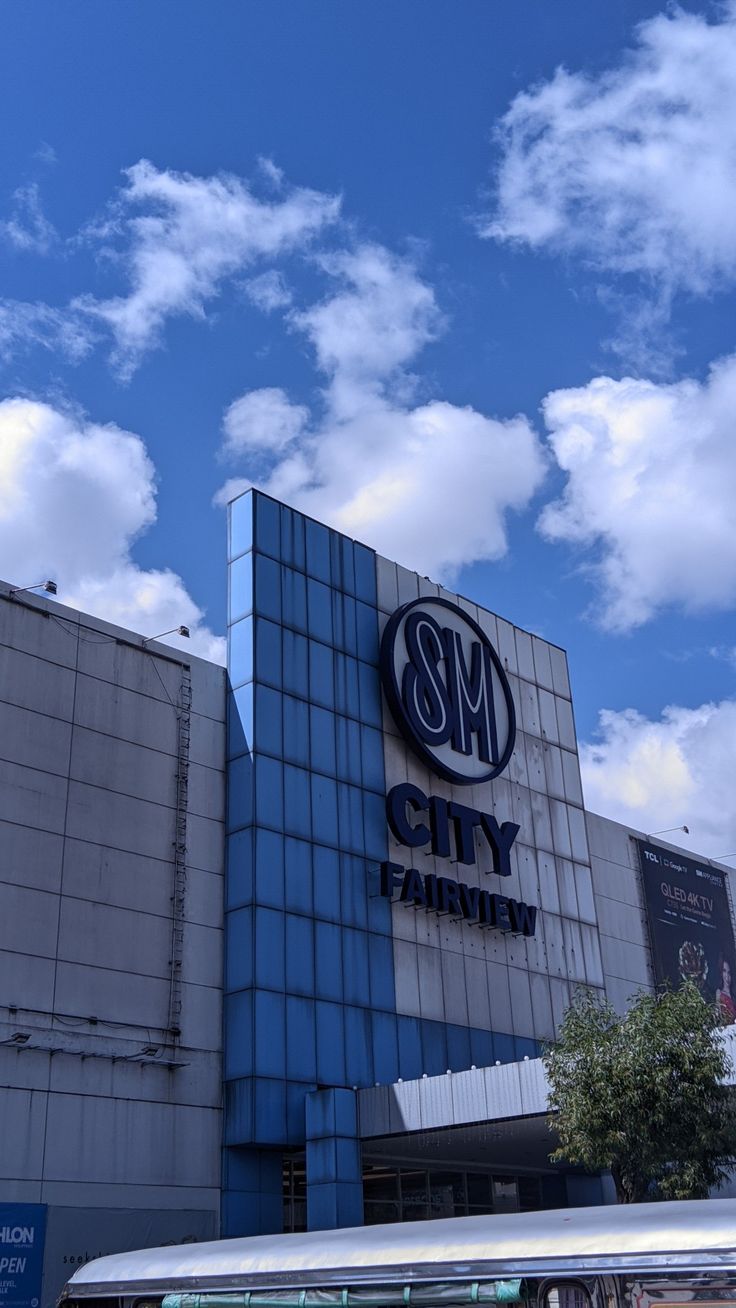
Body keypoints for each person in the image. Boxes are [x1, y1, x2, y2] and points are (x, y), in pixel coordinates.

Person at [716, 955, 736, 1024]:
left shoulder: (733, 993)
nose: (727, 976)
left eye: (729, 972)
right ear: (721, 973)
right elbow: (719, 1014)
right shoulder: (719, 993)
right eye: (724, 971)